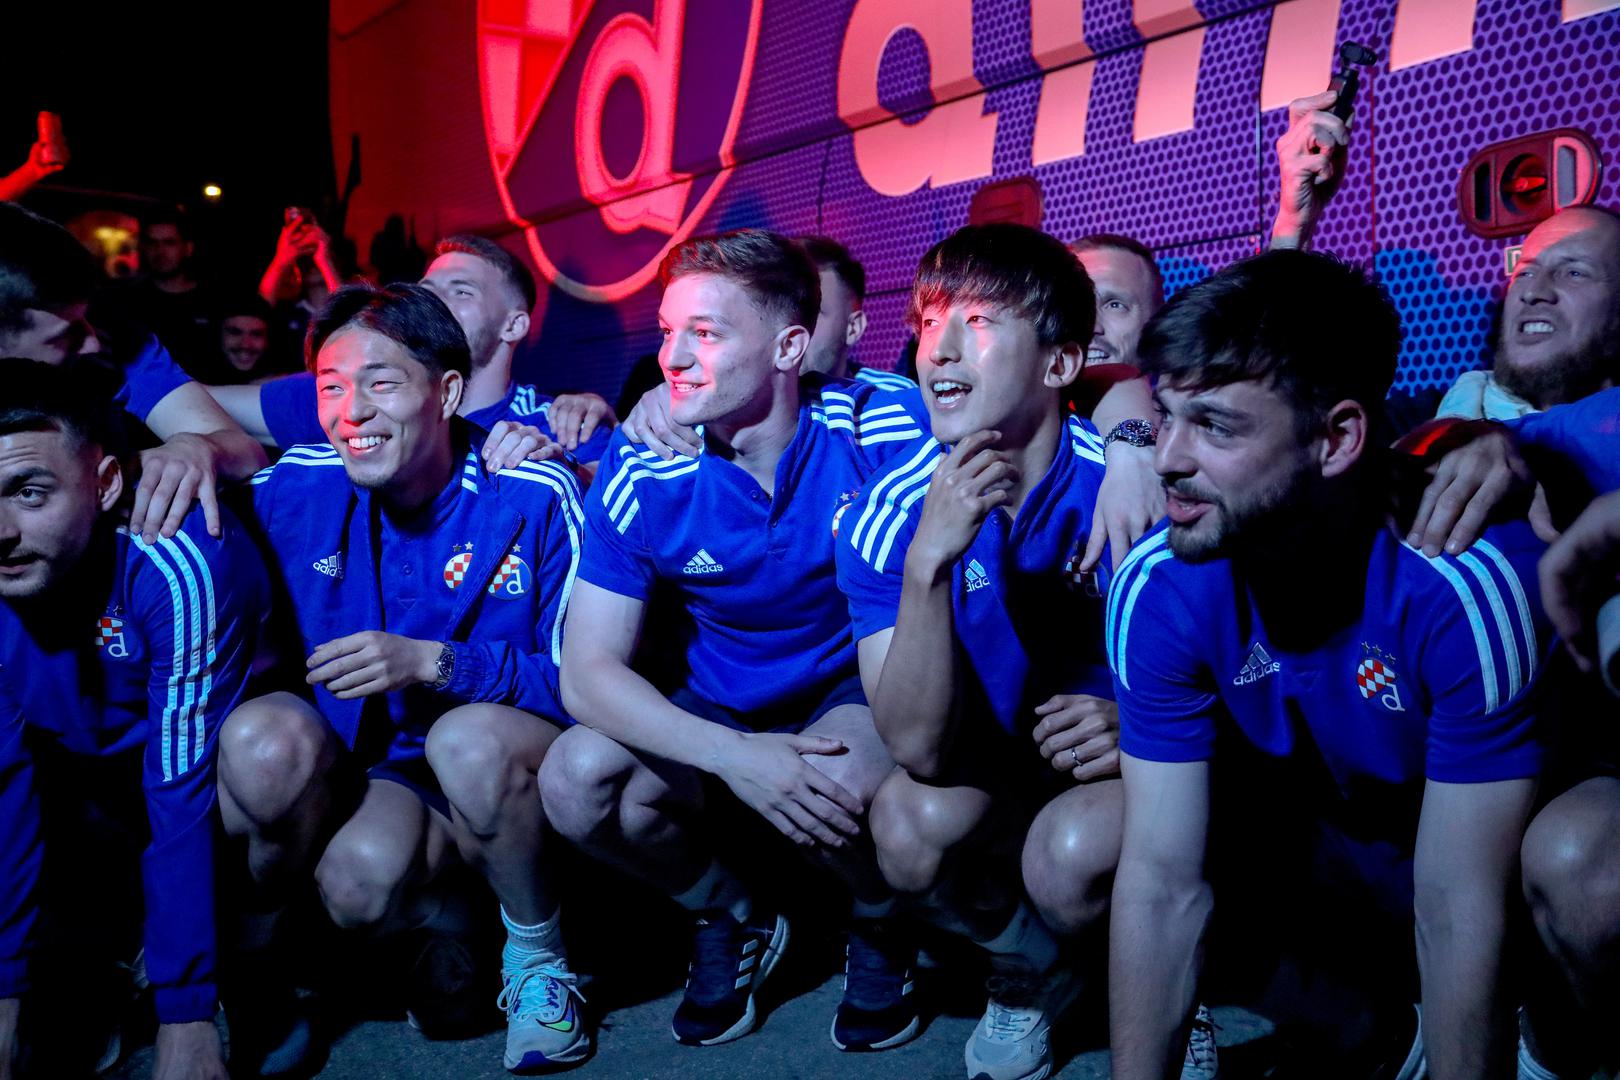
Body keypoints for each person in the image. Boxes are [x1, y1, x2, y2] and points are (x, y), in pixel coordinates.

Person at [1107, 250, 1551, 1078]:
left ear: (1337, 439)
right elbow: (1163, 884)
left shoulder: (1463, 580)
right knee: (1106, 853)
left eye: (1215, 425)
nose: (1166, 457)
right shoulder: (1160, 581)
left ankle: (1554, 1031)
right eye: (1165, 416)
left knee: (1573, 866)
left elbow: (1457, 906)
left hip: (1467, 862)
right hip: (1328, 863)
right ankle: (1373, 1034)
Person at [837, 223, 1214, 1080]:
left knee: (1071, 854)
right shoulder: (888, 512)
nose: (940, 349)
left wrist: (1133, 723)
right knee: (906, 825)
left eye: (977, 321)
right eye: (929, 321)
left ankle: (1174, 984)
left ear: (1058, 364)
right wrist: (929, 564)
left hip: (1144, 772)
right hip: (997, 775)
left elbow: (1245, 677)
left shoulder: (1132, 479)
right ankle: (1033, 970)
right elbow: (918, 749)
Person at [542, 228, 929, 1053]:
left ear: (790, 347)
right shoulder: (644, 465)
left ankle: (879, 914)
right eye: (667, 330)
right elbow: (587, 673)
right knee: (576, 780)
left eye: (706, 333)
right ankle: (732, 911)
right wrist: (735, 755)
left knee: (834, 781)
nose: (672, 358)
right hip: (718, 701)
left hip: (846, 690)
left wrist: (1133, 440)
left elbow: (1033, 415)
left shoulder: (881, 423)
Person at [217, 282, 589, 1074]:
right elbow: (207, 461)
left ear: (446, 393)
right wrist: (187, 452)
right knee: (354, 880)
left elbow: (589, 684)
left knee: (467, 742)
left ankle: (539, 959)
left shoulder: (532, 489)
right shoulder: (299, 485)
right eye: (330, 388)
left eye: (381, 382)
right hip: (394, 778)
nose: (351, 411)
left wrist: (434, 662)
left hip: (519, 765)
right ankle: (457, 923)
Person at [0, 360, 268, 1080]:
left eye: (29, 492)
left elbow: (181, 791)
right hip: (81, 771)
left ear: (106, 484)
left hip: (204, 773)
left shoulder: (175, 559)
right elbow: (5, 787)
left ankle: (261, 965)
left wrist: (187, 1014)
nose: (0, 532)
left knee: (268, 760)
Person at [213, 234, 616, 472]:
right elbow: (197, 401)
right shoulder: (353, 397)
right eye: (427, 289)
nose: (433, 301)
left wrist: (563, 475)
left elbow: (614, 497)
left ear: (513, 326)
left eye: (461, 291)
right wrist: (201, 448)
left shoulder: (558, 425)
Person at [0, 201, 268, 543]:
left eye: (87, 318)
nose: (91, 343)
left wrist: (202, 449)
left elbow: (247, 452)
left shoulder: (121, 344)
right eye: (64, 335)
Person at [796, 234, 914, 389]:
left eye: (811, 312)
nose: (792, 327)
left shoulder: (894, 396)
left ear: (853, 328)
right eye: (785, 310)